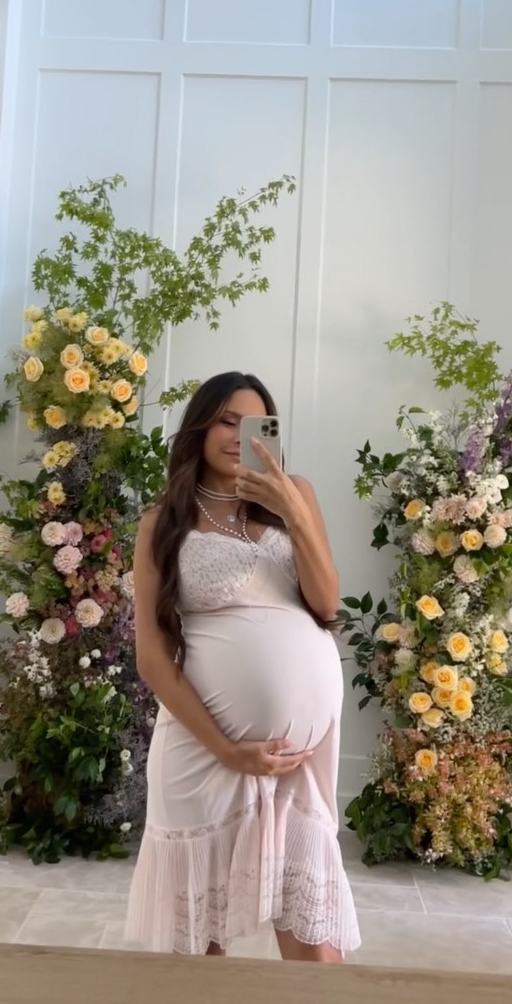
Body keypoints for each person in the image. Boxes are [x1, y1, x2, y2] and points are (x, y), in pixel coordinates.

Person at [124, 372, 360, 961]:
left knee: (314, 943)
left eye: (255, 425)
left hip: (297, 762)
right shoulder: (163, 520)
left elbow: (327, 603)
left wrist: (293, 513)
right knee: (199, 946)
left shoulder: (296, 493)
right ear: (200, 427)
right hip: (205, 751)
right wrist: (228, 750)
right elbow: (151, 655)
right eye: (226, 421)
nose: (239, 436)